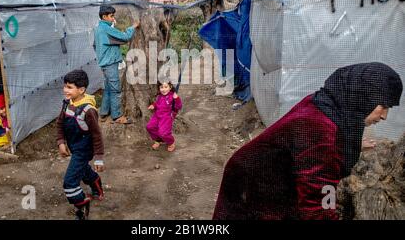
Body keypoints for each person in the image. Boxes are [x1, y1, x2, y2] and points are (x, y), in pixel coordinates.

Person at [213, 62, 403, 220]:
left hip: (264, 172)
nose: (384, 115)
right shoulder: (320, 130)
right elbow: (315, 205)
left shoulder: (328, 103)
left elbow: (305, 144)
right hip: (254, 184)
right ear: (364, 95)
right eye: (383, 105)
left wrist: (347, 146)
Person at [56, 69, 105, 220]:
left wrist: (98, 157)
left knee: (70, 182)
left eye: (70, 87)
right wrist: (61, 142)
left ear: (81, 89)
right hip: (73, 145)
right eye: (65, 86)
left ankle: (81, 205)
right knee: (83, 169)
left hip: (84, 149)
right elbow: (59, 124)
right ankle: (97, 188)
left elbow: (97, 135)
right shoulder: (67, 104)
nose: (65, 90)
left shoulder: (88, 110)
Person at [94, 5, 140, 124]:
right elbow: (125, 37)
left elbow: (95, 45)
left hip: (104, 63)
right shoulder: (106, 29)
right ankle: (117, 116)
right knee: (115, 89)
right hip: (110, 63)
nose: (113, 18)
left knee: (109, 88)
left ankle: (103, 113)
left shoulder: (98, 28)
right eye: (111, 16)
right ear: (104, 17)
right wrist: (133, 27)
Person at [146, 81, 182, 152]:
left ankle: (171, 143)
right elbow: (157, 103)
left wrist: (176, 98)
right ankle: (158, 140)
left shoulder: (173, 96)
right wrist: (153, 105)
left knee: (163, 133)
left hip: (167, 117)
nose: (164, 89)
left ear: (170, 87)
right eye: (161, 87)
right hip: (157, 115)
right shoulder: (160, 96)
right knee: (149, 127)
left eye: (166, 87)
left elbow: (179, 106)